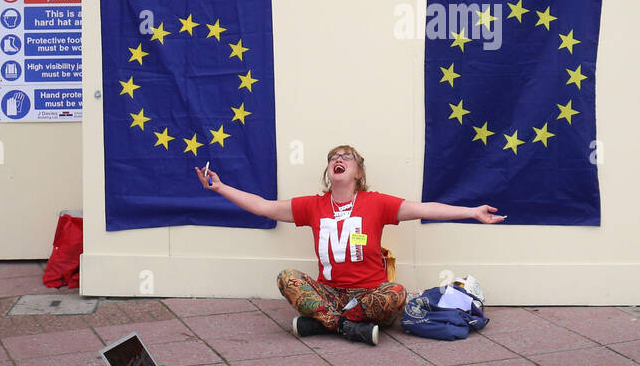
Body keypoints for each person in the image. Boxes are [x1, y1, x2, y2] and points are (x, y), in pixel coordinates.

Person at [196, 145, 504, 346]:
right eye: (333, 158)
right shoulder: (312, 206)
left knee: (395, 292)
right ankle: (345, 327)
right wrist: (220, 187)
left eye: (347, 158)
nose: (338, 160)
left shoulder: (376, 203)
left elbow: (425, 209)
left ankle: (322, 323)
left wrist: (471, 212)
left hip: (369, 295)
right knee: (287, 277)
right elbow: (263, 207)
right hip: (330, 292)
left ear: (358, 173)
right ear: (329, 173)